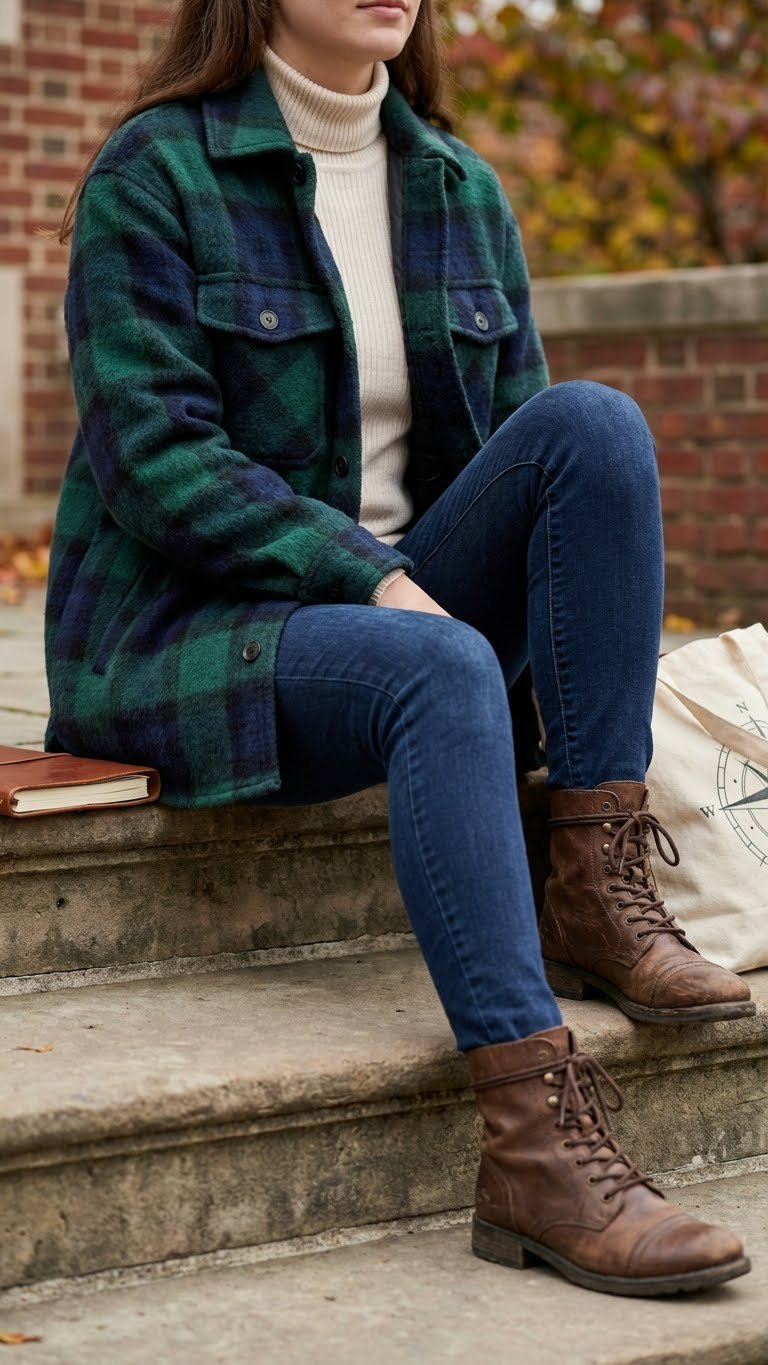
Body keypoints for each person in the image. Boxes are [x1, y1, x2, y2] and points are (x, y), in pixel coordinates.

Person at [47, 0, 753, 1296]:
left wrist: (519, 714)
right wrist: (367, 577)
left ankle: (592, 875)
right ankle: (537, 1144)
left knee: (593, 430)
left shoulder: (456, 184)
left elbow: (528, 485)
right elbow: (157, 464)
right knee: (438, 662)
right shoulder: (155, 176)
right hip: (194, 634)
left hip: (397, 615)